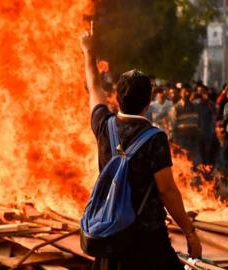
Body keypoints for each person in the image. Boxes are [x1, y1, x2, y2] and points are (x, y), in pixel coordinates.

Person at [80, 30, 201, 270]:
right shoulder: (155, 139)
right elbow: (167, 191)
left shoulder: (104, 126)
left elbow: (93, 86)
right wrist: (190, 232)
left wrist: (87, 51)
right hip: (146, 240)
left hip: (110, 235)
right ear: (149, 101)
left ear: (117, 97)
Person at [169, 84, 201, 168]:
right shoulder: (176, 108)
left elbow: (198, 124)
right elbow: (173, 127)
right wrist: (175, 144)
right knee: (183, 165)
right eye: (185, 91)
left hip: (193, 141)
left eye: (189, 92)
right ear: (180, 93)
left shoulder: (195, 107)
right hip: (181, 141)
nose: (187, 93)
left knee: (196, 165)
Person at [195, 85, 217, 167]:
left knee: (207, 154)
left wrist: (207, 101)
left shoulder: (210, 104)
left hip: (208, 133)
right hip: (197, 133)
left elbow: (215, 113)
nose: (201, 93)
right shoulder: (195, 104)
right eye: (199, 91)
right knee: (198, 155)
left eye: (203, 91)